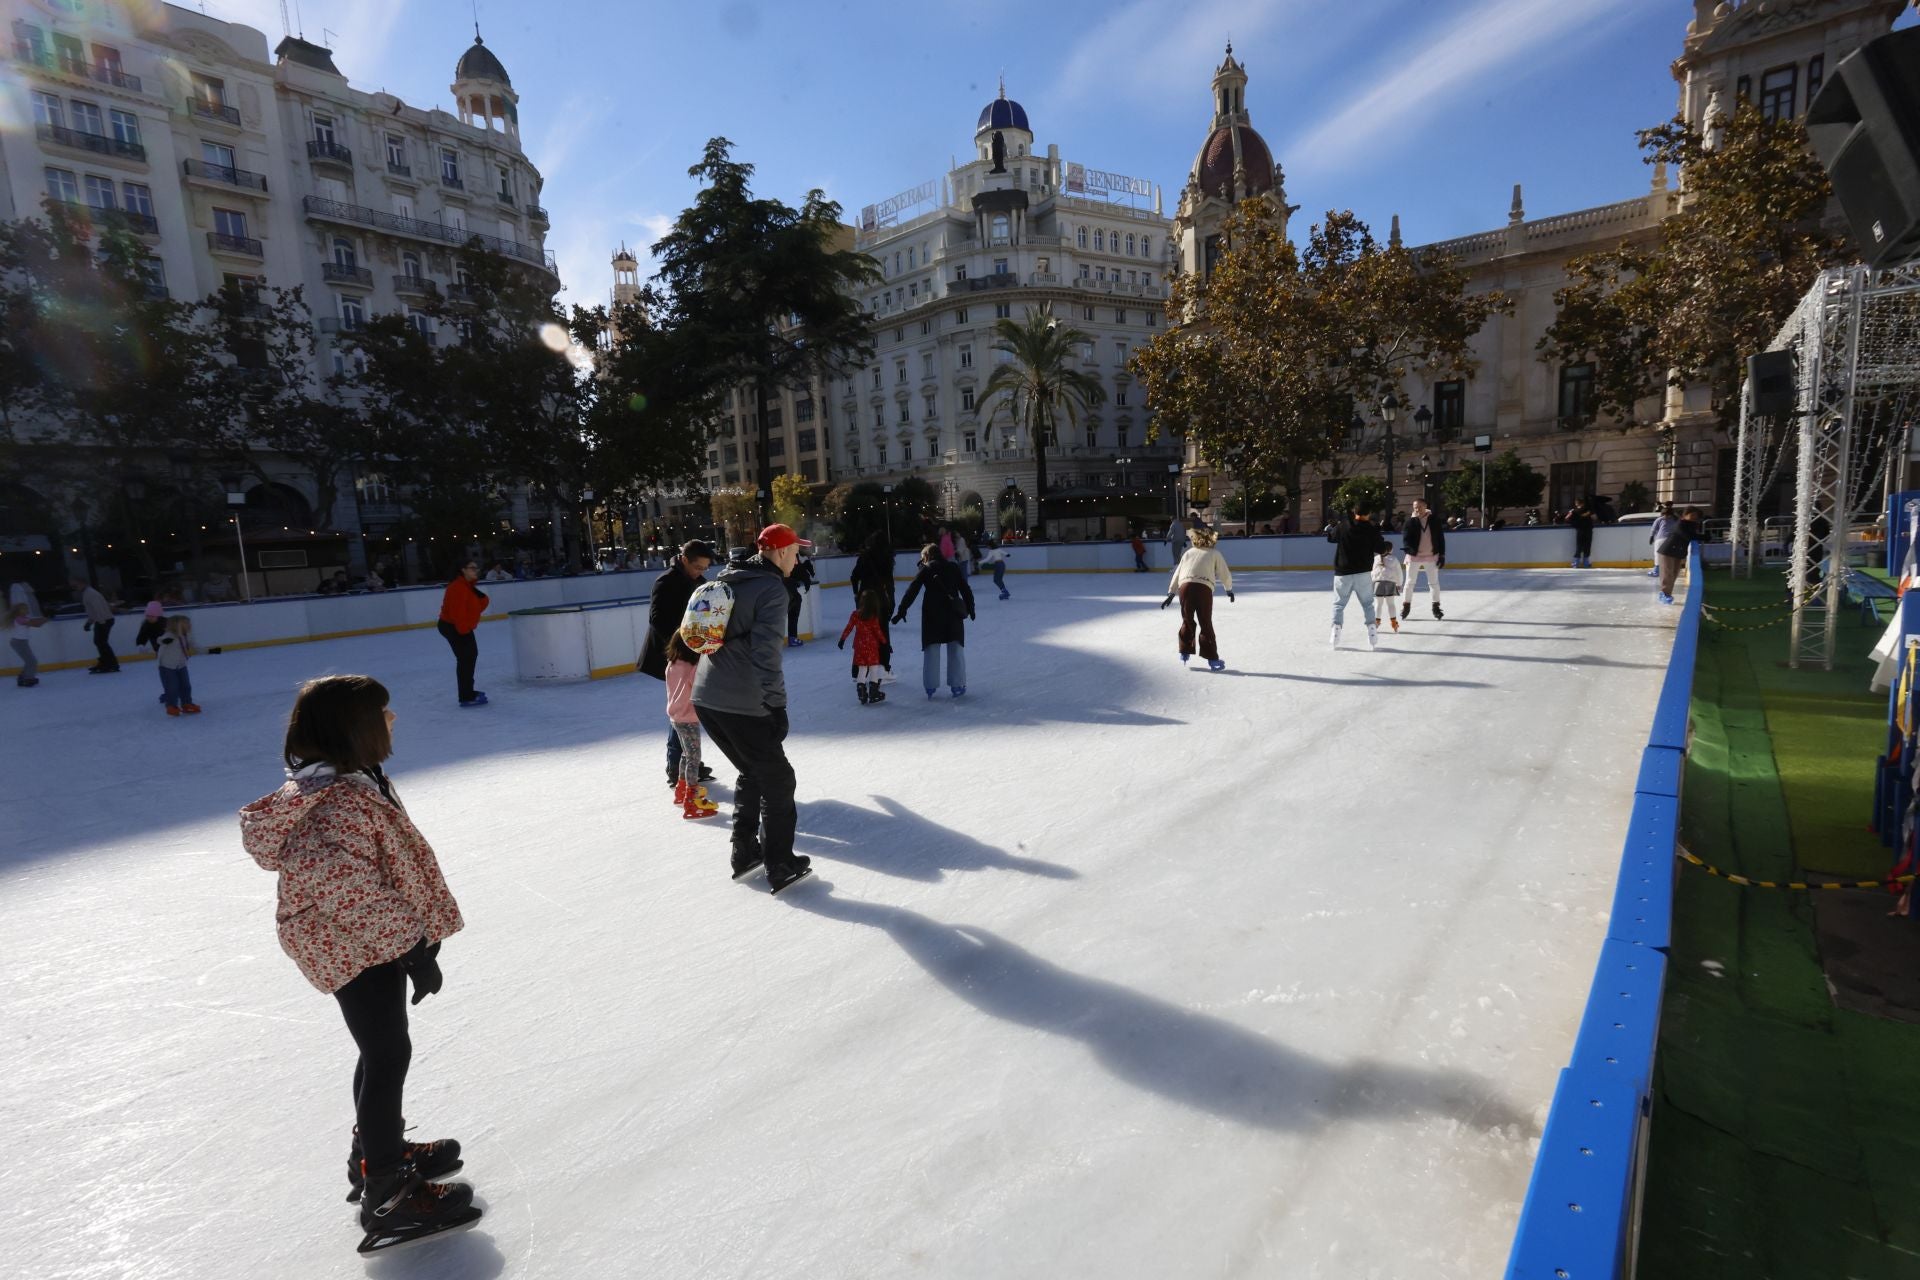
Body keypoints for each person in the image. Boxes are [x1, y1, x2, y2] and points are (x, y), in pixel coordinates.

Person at [239, 675, 477, 1251]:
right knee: (387, 1051)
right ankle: (389, 1194)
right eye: (382, 713)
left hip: (360, 935)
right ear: (354, 730)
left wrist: (411, 937)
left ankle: (376, 1151)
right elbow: (348, 890)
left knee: (381, 1048)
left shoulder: (348, 782)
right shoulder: (336, 804)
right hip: (350, 939)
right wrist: (412, 947)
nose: (393, 719)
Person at [692, 523, 814, 894]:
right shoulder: (771, 588)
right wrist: (776, 704)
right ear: (778, 553)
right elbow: (766, 653)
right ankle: (780, 863)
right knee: (779, 779)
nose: (798, 557)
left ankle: (745, 852)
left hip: (706, 697)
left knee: (752, 771)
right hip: (739, 701)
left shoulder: (729, 580)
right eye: (795, 551)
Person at [638, 540, 718, 788]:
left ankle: (687, 760)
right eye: (697, 567)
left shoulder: (700, 583)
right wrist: (681, 646)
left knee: (688, 709)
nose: (700, 572)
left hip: (692, 656)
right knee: (683, 711)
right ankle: (676, 766)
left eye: (704, 568)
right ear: (683, 558)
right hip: (674, 657)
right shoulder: (666, 581)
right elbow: (657, 620)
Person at [894, 543, 976, 699]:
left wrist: (902, 609)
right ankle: (957, 685)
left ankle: (930, 687)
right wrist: (970, 608)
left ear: (926, 557)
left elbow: (912, 589)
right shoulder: (953, 567)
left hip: (932, 615)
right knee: (955, 648)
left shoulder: (926, 569)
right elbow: (965, 589)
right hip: (953, 614)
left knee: (932, 650)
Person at [665, 632, 721, 820]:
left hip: (675, 716)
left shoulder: (671, 665)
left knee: (686, 754)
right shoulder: (693, 667)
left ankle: (681, 789)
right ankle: (692, 798)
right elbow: (700, 688)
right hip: (689, 717)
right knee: (694, 757)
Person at [1161, 526, 1234, 670]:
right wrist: (1229, 589)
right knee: (1205, 622)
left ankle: (1184, 651)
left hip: (1185, 587)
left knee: (1187, 619)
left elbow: (1177, 573)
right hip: (1203, 588)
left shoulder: (1188, 553)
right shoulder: (1214, 554)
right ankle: (1212, 659)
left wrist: (1171, 593)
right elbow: (1224, 573)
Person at [1326, 506, 1392, 650]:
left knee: (1338, 604)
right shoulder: (1371, 529)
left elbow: (1331, 537)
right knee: (1368, 604)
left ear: (1355, 512)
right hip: (1363, 572)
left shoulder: (1344, 525)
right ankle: (1372, 631)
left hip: (1343, 572)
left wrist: (1336, 525)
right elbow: (1382, 549)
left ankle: (1336, 630)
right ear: (1368, 514)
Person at [436, 561, 489, 708]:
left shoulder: (467, 586)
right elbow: (457, 613)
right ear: (463, 570)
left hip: (460, 626)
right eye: (472, 568)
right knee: (466, 658)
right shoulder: (457, 588)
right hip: (454, 627)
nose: (476, 570)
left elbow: (478, 605)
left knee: (469, 656)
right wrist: (464, 630)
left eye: (476, 567)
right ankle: (466, 696)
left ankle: (467, 692)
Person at [850, 532, 897, 675]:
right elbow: (889, 583)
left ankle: (859, 670)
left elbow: (854, 577)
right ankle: (883, 668)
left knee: (864, 634)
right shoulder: (887, 558)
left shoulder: (864, 557)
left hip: (865, 599)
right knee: (882, 633)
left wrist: (856, 593)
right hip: (881, 600)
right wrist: (892, 602)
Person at [838, 589, 890, 705]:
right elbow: (878, 632)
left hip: (859, 647)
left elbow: (849, 627)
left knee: (862, 669)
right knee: (873, 669)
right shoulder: (873, 617)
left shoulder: (855, 614)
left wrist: (842, 639)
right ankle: (873, 692)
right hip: (872, 647)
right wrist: (885, 643)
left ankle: (861, 692)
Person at [1399, 498, 1446, 622]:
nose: (1417, 509)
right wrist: (1408, 550)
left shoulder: (1434, 520)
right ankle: (1406, 606)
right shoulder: (1410, 522)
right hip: (1414, 557)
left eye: (1419, 507)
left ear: (1425, 506)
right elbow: (1406, 538)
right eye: (1415, 507)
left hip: (1431, 556)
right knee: (1409, 583)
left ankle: (1436, 607)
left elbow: (1440, 538)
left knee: (1434, 583)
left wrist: (1442, 555)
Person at [73, 577, 119, 673]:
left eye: (76, 585)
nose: (76, 587)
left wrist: (101, 622)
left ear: (83, 584)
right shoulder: (88, 593)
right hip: (103, 620)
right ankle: (107, 663)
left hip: (104, 620)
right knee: (100, 642)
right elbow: (93, 611)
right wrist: (89, 623)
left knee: (101, 642)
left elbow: (98, 609)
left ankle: (110, 664)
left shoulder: (90, 593)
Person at [155, 615, 200, 715]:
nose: (190, 625)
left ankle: (187, 704)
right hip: (167, 667)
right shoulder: (170, 635)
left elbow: (195, 646)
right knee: (172, 687)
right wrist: (164, 641)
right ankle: (171, 706)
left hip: (181, 665)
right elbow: (160, 639)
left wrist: (212, 651)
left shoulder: (187, 636)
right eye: (187, 623)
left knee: (186, 686)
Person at [1655, 507, 1701, 604]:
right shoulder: (1680, 524)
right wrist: (1704, 536)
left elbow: (1692, 535)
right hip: (1667, 551)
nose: (1694, 517)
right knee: (1668, 574)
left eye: (1695, 515)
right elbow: (1687, 536)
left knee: (1674, 574)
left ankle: (1667, 593)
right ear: (1685, 515)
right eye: (1692, 515)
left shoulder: (1692, 525)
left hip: (1678, 552)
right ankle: (1664, 594)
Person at [785, 552, 817, 648]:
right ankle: (792, 638)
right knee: (793, 612)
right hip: (788, 592)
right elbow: (801, 572)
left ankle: (791, 639)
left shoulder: (777, 557)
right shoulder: (793, 559)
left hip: (779, 589)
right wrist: (806, 582)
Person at [9, 601, 44, 687]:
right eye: (24, 608)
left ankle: (23, 677)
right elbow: (36, 624)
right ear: (18, 611)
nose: (26, 610)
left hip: (21, 642)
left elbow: (34, 621)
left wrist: (44, 618)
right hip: (18, 643)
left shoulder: (24, 618)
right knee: (32, 661)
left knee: (29, 661)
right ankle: (28, 678)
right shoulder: (19, 619)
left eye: (26, 608)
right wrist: (46, 618)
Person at [1372, 547, 1404, 634]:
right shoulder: (1394, 558)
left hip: (1378, 583)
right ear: (1390, 550)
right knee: (1391, 604)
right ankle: (1394, 623)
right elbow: (1399, 572)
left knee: (1378, 604)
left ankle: (1376, 622)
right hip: (1390, 583)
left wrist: (1372, 583)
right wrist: (1399, 584)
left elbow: (1372, 571)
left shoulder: (1376, 558)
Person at [1647, 504, 1678, 578]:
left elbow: (1654, 529)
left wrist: (1651, 536)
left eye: (1667, 515)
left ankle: (1658, 571)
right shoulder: (1674, 520)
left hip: (1665, 539)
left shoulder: (1662, 519)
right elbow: (1654, 529)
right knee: (1664, 555)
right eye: (1664, 515)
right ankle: (1662, 570)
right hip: (1667, 539)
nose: (1665, 516)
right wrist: (1651, 536)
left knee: (1660, 554)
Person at [1568, 500, 1596, 568]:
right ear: (1583, 503)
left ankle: (1576, 563)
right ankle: (1586, 563)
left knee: (1579, 545)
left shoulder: (1574, 511)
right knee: (1587, 545)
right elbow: (1594, 518)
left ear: (1576, 504)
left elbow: (1567, 519)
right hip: (1588, 529)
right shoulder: (1589, 510)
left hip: (1580, 530)